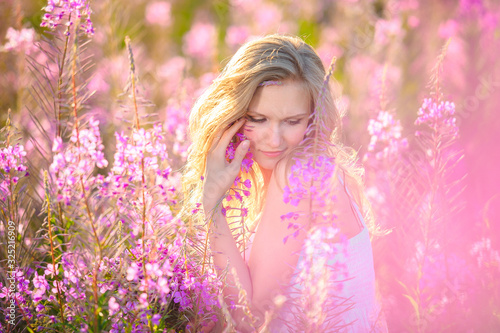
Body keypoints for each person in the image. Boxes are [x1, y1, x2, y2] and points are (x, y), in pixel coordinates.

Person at [180, 34, 387, 332]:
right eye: (258, 119)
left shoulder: (297, 174)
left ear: (314, 119)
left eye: (292, 121)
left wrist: (212, 202)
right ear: (232, 116)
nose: (274, 140)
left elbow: (250, 318)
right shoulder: (327, 170)